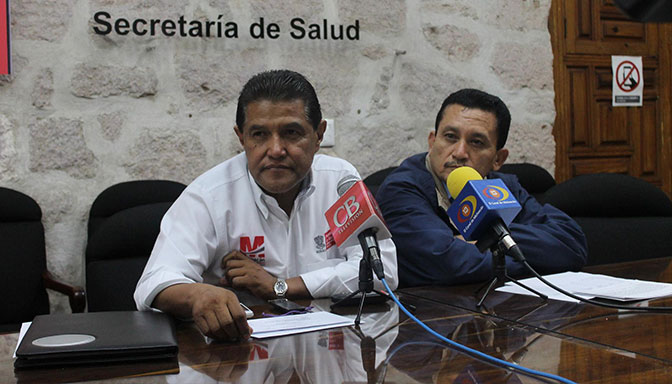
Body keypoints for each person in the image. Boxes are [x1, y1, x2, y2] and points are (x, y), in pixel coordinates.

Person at [134, 69, 398, 340]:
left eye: (291, 133)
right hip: (239, 353)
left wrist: (280, 287)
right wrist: (198, 294)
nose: (275, 150)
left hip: (329, 347)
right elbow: (153, 283)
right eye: (259, 134)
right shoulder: (209, 195)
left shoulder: (340, 181)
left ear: (319, 135)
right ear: (241, 137)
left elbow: (384, 273)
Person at [376, 88, 587, 288]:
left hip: (503, 305)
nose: (459, 152)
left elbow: (570, 245)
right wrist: (536, 261)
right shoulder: (402, 189)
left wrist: (484, 239)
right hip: (431, 310)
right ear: (432, 142)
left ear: (498, 159)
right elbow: (449, 265)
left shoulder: (501, 187)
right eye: (450, 137)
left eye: (476, 142)